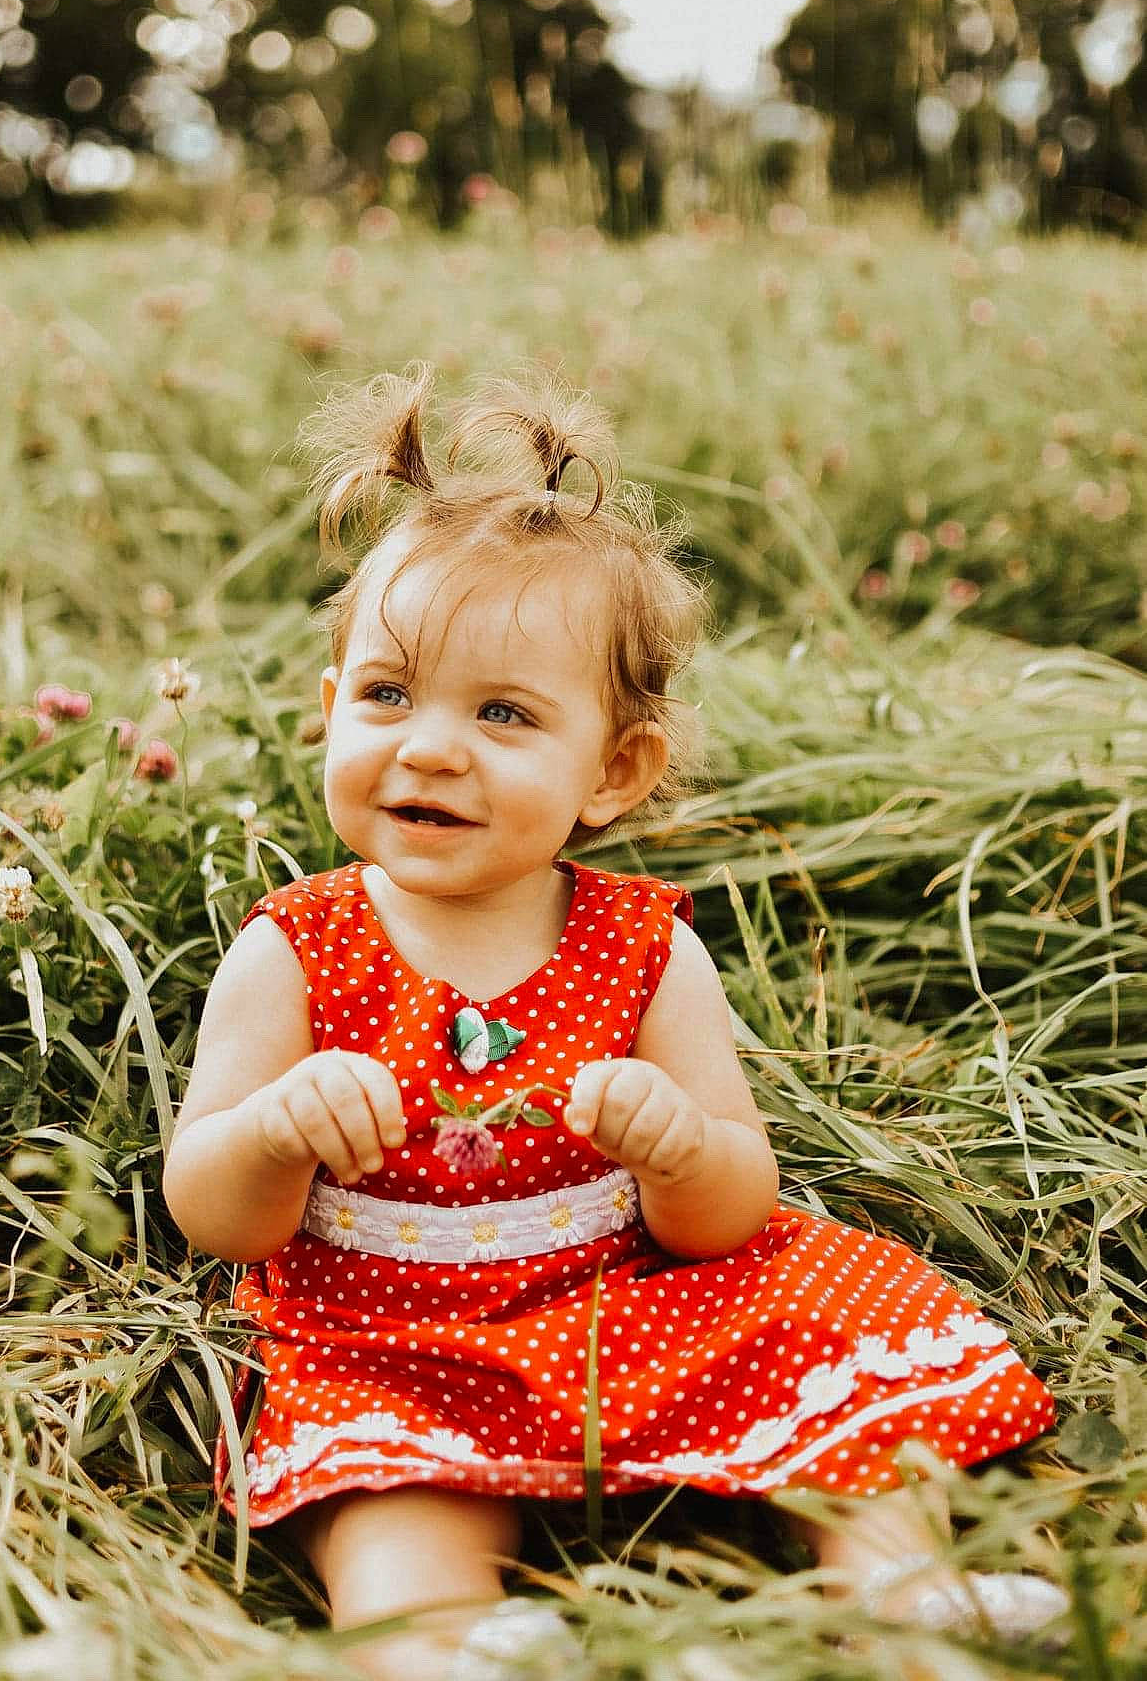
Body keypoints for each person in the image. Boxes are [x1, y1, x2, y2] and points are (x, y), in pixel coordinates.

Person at [163, 367, 1066, 1679]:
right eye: (387, 695)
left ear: (614, 770)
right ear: (328, 708)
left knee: (817, 1312)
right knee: (387, 1503)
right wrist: (272, 1132)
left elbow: (732, 1210)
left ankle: (895, 1585)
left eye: (503, 714)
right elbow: (213, 1213)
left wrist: (677, 1149)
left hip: (623, 1308)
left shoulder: (642, 948)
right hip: (382, 1340)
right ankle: (442, 1643)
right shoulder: (294, 947)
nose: (429, 748)